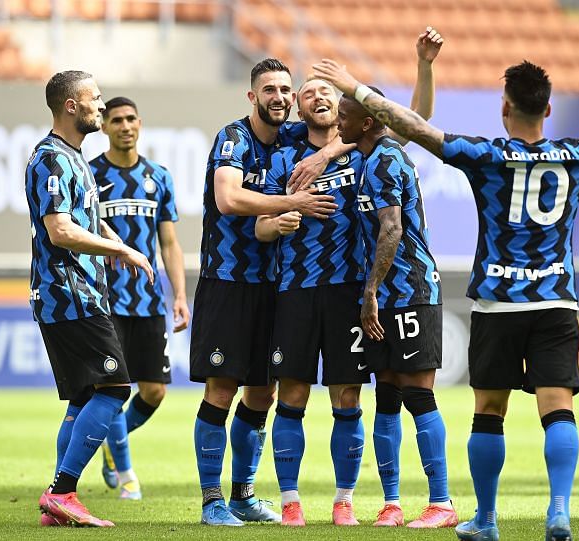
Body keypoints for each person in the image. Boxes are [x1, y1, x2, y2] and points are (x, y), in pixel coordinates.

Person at [313, 59, 579, 541]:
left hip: (497, 302)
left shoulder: (485, 155)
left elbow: (413, 126)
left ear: (505, 107)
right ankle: (558, 512)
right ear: (549, 108)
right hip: (553, 302)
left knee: (489, 412)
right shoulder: (577, 153)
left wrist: (355, 88)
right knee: (558, 411)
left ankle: (486, 520)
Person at [257, 27, 445, 528]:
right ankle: (291, 500)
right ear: (298, 110)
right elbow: (257, 224)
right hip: (296, 287)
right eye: (309, 93)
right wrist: (278, 219)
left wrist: (423, 67)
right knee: (292, 396)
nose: (321, 97)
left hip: (351, 290)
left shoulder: (365, 151)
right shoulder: (282, 153)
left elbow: (411, 122)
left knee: (348, 397)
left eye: (329, 93)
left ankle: (345, 500)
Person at [189, 57, 347, 527]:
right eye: (269, 90)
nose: (278, 97)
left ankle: (242, 494)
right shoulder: (234, 137)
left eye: (285, 89)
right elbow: (228, 198)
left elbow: (361, 132)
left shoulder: (294, 141)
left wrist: (323, 155)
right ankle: (211, 499)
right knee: (222, 389)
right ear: (252, 96)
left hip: (276, 287)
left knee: (262, 394)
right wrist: (294, 201)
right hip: (228, 281)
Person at [26, 70, 154, 527]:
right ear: (71, 107)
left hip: (80, 292)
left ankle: (58, 505)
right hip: (68, 294)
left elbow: (83, 216)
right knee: (116, 387)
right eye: (95, 100)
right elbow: (59, 230)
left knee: (83, 397)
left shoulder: (74, 156)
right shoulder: (50, 160)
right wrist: (120, 248)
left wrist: (110, 236)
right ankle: (62, 492)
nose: (101, 106)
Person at [89, 96, 191, 501]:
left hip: (148, 300)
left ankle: (110, 446)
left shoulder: (159, 177)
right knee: (113, 387)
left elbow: (169, 241)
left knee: (153, 391)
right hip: (107, 300)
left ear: (140, 123)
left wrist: (180, 294)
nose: (125, 126)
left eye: (131, 118)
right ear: (105, 128)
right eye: (116, 120)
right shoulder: (92, 176)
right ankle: (127, 472)